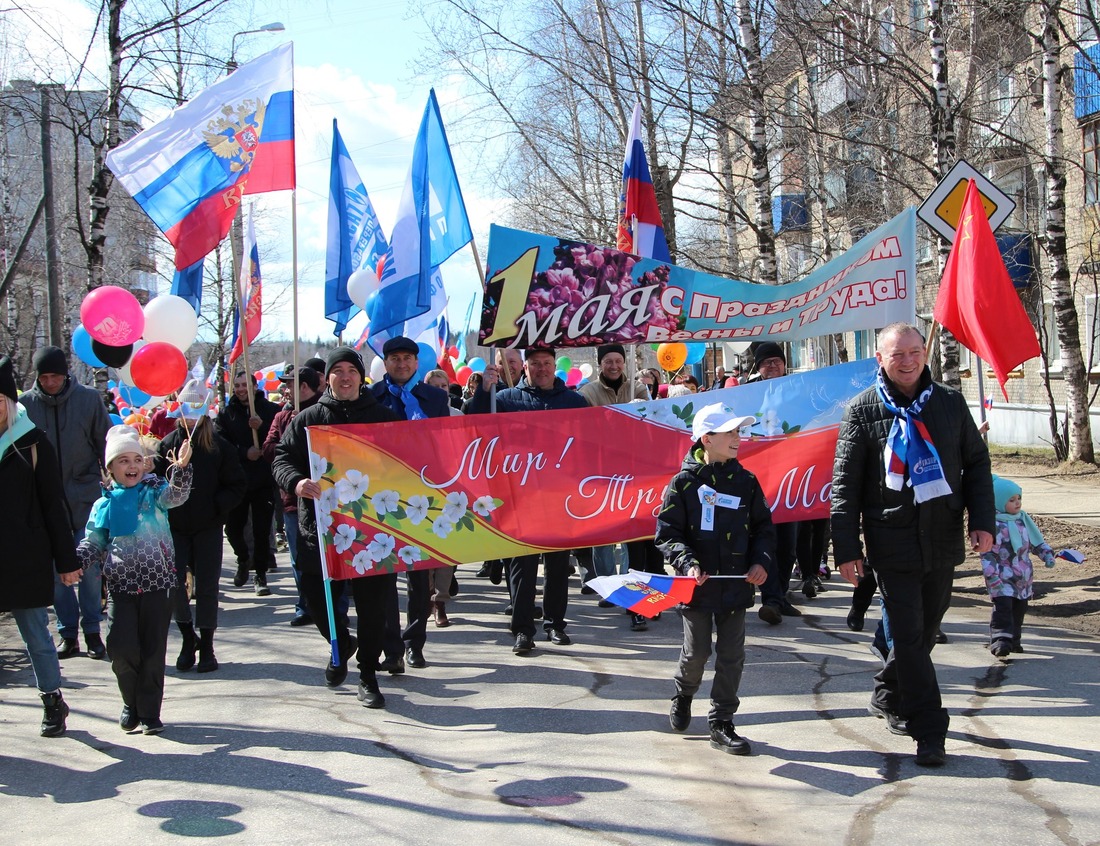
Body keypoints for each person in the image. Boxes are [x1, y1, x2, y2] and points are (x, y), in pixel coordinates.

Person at [831, 322, 994, 768]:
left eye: (914, 351)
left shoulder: (949, 403)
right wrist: (846, 549)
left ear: (926, 353)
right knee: (907, 633)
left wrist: (982, 521)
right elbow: (844, 486)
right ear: (879, 359)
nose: (907, 361)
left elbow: (977, 466)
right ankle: (929, 731)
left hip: (941, 538)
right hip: (892, 540)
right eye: (896, 353)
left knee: (920, 637)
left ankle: (886, 692)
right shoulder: (863, 410)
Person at [271, 347, 400, 709]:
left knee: (373, 604)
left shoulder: (382, 417)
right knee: (315, 597)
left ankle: (368, 675)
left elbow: (403, 464)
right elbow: (282, 458)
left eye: (351, 371)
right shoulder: (308, 418)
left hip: (372, 530)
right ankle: (339, 643)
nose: (345, 377)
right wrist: (296, 483)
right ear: (327, 378)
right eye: (337, 371)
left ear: (362, 377)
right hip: (320, 529)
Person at [656, 402, 775, 754]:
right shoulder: (683, 483)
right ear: (707, 439)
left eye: (740, 431)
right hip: (697, 587)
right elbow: (667, 533)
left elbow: (764, 529)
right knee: (697, 653)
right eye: (731, 432)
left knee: (731, 654)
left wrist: (761, 561)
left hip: (736, 586)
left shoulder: (747, 482)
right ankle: (683, 692)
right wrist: (687, 562)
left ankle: (721, 720)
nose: (739, 438)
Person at [467, 346, 589, 654]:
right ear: (525, 368)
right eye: (535, 364)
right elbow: (473, 421)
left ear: (555, 366)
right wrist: (484, 391)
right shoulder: (505, 400)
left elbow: (592, 441)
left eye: (547, 363)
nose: (542, 369)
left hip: (561, 496)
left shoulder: (574, 402)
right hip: (519, 496)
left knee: (558, 565)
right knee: (521, 564)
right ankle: (522, 628)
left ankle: (555, 623)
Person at [78, 424, 193, 734]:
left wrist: (181, 468)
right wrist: (76, 562)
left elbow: (178, 495)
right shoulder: (105, 504)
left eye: (136, 459)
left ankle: (150, 712)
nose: (131, 466)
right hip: (121, 587)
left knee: (153, 651)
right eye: (123, 461)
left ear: (144, 463)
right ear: (111, 468)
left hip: (159, 584)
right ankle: (130, 701)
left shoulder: (154, 493)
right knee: (121, 648)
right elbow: (95, 540)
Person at [0, 356, 81, 737]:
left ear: (9, 402)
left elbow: (53, 503)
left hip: (23, 556)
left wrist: (66, 559)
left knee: (34, 634)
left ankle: (52, 700)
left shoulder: (31, 442)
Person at [20, 345, 111, 659]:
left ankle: (92, 632)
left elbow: (105, 443)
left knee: (88, 570)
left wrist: (111, 479)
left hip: (85, 498)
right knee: (57, 573)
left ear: (65, 374)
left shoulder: (88, 400)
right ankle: (68, 633)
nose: (50, 382)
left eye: (55, 376)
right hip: (45, 505)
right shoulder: (24, 407)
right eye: (44, 377)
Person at [369, 337, 452, 669]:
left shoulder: (434, 398)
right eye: (394, 358)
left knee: (420, 577)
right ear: (385, 363)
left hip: (423, 496)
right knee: (385, 576)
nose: (401, 364)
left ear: (417, 363)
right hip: (381, 497)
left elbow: (445, 442)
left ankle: (415, 641)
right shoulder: (371, 397)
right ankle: (391, 647)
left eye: (407, 358)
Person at [156, 383, 245, 673]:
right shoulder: (167, 444)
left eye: (197, 409)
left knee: (207, 586)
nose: (191, 417)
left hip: (207, 526)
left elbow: (236, 484)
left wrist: (216, 506)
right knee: (174, 586)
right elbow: (155, 483)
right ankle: (186, 637)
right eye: (186, 408)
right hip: (173, 529)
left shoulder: (219, 447)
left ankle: (207, 644)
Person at [579, 343, 651, 629]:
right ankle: (608, 586)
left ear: (624, 362)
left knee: (629, 531)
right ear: (600, 364)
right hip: (600, 469)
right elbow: (584, 429)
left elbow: (652, 422)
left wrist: (642, 410)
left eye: (618, 360)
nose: (614, 365)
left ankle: (628, 585)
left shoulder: (637, 389)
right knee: (604, 531)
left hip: (632, 468)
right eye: (608, 361)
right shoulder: (588, 393)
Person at [262, 366, 328, 628]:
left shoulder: (324, 412)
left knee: (329, 555)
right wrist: (292, 431)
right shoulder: (282, 416)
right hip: (292, 500)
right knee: (298, 556)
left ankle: (334, 606)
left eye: (290, 384)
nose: (285, 389)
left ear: (304, 387)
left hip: (328, 499)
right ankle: (305, 605)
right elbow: (270, 450)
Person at [748, 341, 802, 626]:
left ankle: (780, 595)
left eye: (776, 361)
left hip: (790, 480)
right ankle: (770, 599)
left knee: (788, 544)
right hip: (760, 483)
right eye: (766, 362)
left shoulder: (796, 391)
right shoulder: (748, 394)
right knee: (766, 541)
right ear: (758, 367)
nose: (772, 366)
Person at [216, 370, 280, 595]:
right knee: (233, 528)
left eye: (245, 385)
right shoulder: (227, 413)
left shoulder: (271, 411)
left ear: (254, 386)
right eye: (237, 385)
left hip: (262, 479)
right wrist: (245, 452)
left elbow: (279, 440)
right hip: (237, 480)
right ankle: (243, 558)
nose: (241, 389)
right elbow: (221, 444)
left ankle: (260, 575)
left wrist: (261, 427)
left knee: (262, 531)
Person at [981, 476, 1056, 659]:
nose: (1017, 503)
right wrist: (992, 576)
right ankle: (1000, 641)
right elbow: (988, 553)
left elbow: (1037, 543)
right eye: (1012, 500)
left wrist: (1047, 555)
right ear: (999, 501)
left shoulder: (1023, 521)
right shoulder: (994, 525)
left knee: (1019, 609)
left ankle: (1014, 640)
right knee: (1003, 608)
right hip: (1001, 576)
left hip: (1022, 577)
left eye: (1019, 498)